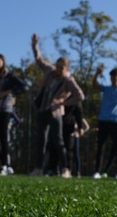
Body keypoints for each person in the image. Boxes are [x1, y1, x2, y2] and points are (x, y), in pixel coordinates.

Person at [30, 33, 85, 178]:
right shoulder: (49, 71)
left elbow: (80, 95)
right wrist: (35, 46)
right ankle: (38, 168)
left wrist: (64, 102)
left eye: (62, 68)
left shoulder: (68, 80)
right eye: (58, 66)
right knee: (41, 140)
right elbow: (39, 60)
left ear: (66, 69)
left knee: (58, 141)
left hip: (56, 113)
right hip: (43, 109)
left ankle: (65, 168)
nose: (59, 69)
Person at [91, 66, 117, 180]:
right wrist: (97, 74)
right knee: (100, 147)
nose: (114, 79)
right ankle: (97, 171)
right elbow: (94, 84)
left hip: (116, 122)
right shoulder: (106, 89)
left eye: (116, 76)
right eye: (112, 77)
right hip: (103, 121)